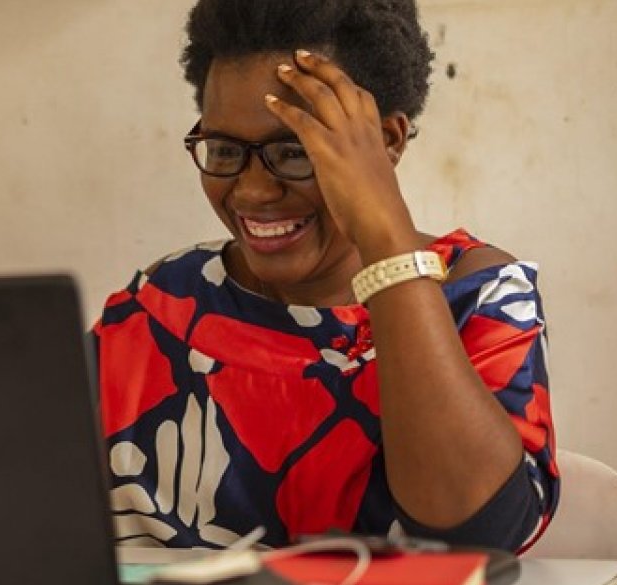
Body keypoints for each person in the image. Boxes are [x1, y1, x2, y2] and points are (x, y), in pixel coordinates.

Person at [93, 0, 557, 552]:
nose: (252, 191)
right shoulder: (165, 306)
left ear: (386, 142)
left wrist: (384, 232)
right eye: (224, 150)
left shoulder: (477, 295)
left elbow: (481, 534)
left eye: (293, 152)